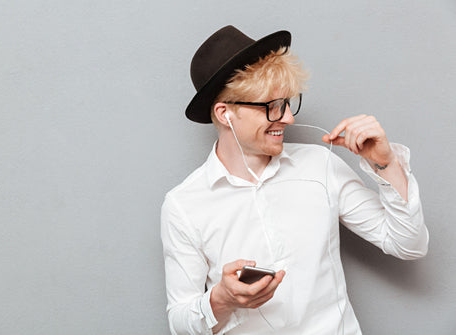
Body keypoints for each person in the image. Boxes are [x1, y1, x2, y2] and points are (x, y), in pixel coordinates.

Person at [161, 25, 428, 335]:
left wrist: (385, 163)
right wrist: (220, 300)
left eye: (288, 102)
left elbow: (409, 244)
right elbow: (180, 322)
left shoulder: (319, 166)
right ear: (225, 114)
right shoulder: (184, 205)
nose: (288, 117)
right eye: (272, 107)